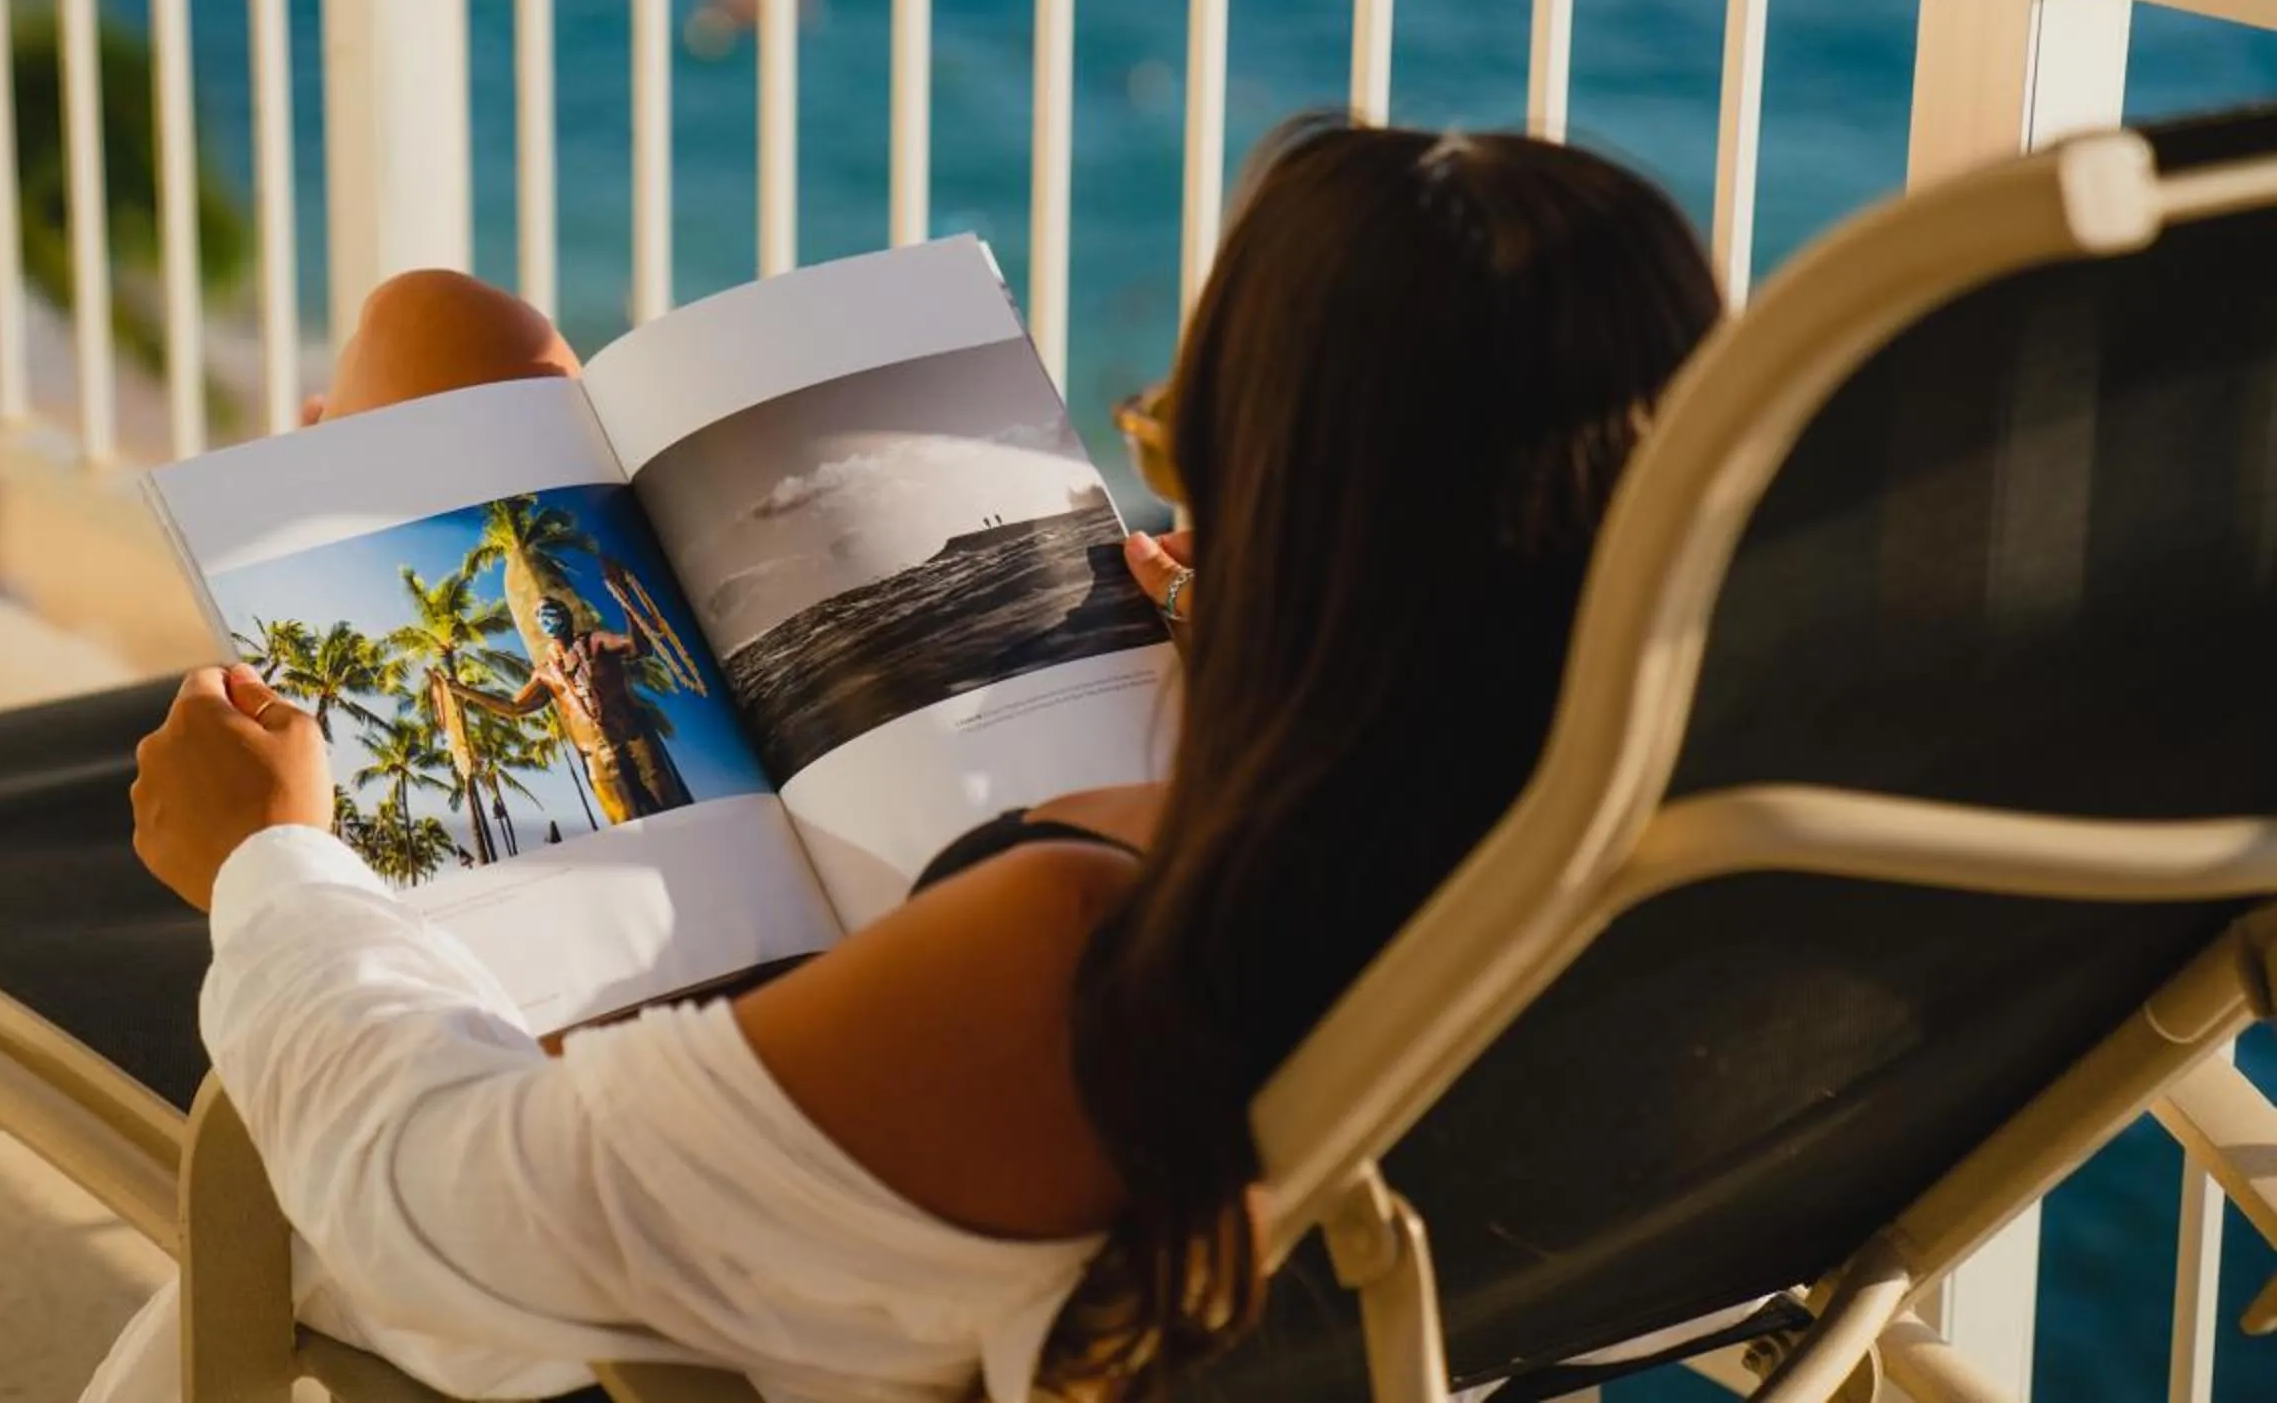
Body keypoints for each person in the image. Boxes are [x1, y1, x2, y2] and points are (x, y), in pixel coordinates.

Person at [94, 118, 1722, 1403]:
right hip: (1243, 1259)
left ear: (1297, 530)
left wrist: (271, 863)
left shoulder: (1083, 962)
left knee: (421, 373)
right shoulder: (1704, 844)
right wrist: (1262, 661)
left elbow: (444, 1199)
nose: (1163, 513)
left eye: (1181, 450)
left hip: (647, 1305)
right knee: (450, 339)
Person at [445, 594, 691, 822]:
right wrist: (463, 691)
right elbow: (514, 707)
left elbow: (637, 647)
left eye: (553, 610)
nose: (548, 617)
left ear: (567, 614)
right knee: (627, 820)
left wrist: (624, 596)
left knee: (670, 804)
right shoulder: (545, 672)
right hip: (599, 756)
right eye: (542, 614)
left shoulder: (595, 642)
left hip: (635, 737)